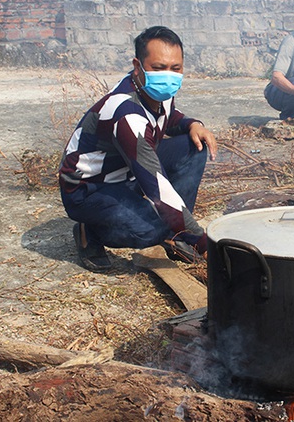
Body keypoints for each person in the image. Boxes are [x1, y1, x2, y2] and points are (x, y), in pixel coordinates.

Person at [58, 26, 217, 272]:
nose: (168, 75)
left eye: (176, 69)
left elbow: (168, 116)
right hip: (89, 187)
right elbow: (158, 189)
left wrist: (191, 124)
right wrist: (206, 245)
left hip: (125, 170)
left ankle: (176, 233)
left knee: (192, 145)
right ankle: (88, 230)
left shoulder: (155, 91)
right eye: (158, 67)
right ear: (137, 66)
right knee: (150, 229)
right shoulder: (126, 113)